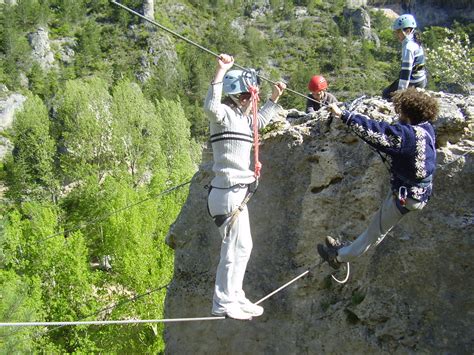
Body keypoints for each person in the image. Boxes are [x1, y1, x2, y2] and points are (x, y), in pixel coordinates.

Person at [318, 87, 439, 269]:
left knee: (375, 232)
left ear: (407, 113)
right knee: (376, 229)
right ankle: (343, 251)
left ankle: (338, 258)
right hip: (415, 191)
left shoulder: (406, 137)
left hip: (408, 196)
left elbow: (375, 132)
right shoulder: (425, 128)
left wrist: (344, 115)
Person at [204, 54, 286, 320]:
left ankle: (235, 295)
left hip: (237, 194)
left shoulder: (241, 118)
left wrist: (274, 99)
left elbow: (259, 122)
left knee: (243, 246)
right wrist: (220, 71)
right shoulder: (224, 115)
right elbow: (210, 106)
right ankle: (223, 302)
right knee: (232, 248)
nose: (254, 102)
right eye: (252, 97)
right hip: (227, 193)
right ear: (241, 96)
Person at [382, 14, 427, 101]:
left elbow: (406, 73)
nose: (396, 35)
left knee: (386, 93)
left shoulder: (408, 47)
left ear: (408, 31)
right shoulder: (416, 42)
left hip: (413, 82)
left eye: (398, 32)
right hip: (421, 81)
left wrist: (400, 93)